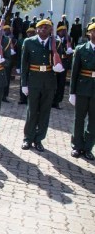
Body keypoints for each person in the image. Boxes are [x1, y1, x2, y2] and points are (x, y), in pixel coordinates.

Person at [20, 19, 64, 152]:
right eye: (41, 27)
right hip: (34, 80)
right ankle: (28, 138)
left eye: (47, 27)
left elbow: (59, 61)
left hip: (49, 82)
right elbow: (24, 64)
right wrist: (24, 83)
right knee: (32, 111)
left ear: (51, 30)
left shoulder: (56, 43)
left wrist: (58, 65)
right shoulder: (29, 42)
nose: (44, 29)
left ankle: (39, 139)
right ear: (37, 29)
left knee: (45, 112)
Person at [68, 22, 95, 160]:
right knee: (79, 118)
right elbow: (74, 72)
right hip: (82, 88)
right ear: (89, 33)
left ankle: (88, 147)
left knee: (93, 121)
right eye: (93, 31)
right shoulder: (81, 49)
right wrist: (72, 92)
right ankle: (77, 146)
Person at [52, 26, 74, 109]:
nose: (64, 32)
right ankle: (51, 100)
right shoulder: (53, 39)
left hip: (63, 62)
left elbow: (69, 51)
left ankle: (57, 101)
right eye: (62, 31)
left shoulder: (67, 39)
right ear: (58, 32)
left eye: (65, 31)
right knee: (53, 82)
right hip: (55, 61)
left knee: (61, 83)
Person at [17, 27, 36, 104]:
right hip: (24, 64)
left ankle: (29, 99)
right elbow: (19, 55)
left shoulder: (36, 42)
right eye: (28, 33)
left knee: (31, 82)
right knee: (23, 81)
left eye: (32, 33)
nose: (30, 34)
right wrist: (18, 66)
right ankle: (22, 98)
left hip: (32, 65)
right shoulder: (22, 41)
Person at [1, 25, 17, 103]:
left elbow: (14, 52)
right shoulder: (1, 39)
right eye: (5, 30)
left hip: (8, 62)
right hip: (0, 62)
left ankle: (4, 95)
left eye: (7, 30)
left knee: (6, 79)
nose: (6, 31)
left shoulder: (13, 40)